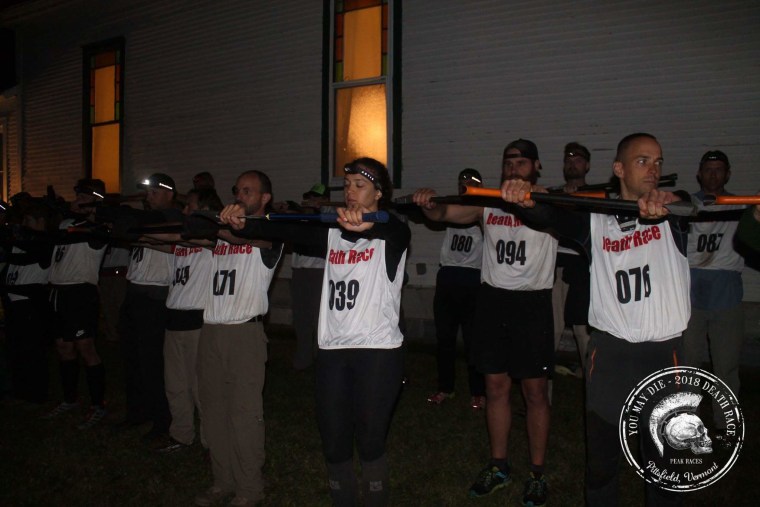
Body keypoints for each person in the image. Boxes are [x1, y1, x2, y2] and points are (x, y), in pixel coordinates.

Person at [500, 133, 688, 506]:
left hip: (664, 356)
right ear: (618, 169)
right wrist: (525, 200)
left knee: (666, 466)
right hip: (610, 355)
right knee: (602, 462)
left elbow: (692, 202)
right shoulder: (595, 221)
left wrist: (670, 199)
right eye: (642, 161)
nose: (653, 170)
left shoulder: (673, 214)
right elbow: (550, 215)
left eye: (658, 162)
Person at [219, 158, 410, 507]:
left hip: (378, 352)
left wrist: (367, 224)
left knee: (369, 440)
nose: (350, 192)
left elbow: (393, 229)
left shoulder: (392, 232)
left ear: (379, 193)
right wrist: (242, 223)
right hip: (333, 351)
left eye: (360, 186)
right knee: (334, 440)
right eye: (347, 185)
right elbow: (283, 230)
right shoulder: (332, 232)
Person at [413, 139, 555, 506]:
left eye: (522, 162)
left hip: (531, 303)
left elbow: (559, 217)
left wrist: (534, 197)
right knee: (495, 386)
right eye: (509, 161)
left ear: (536, 167)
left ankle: (537, 473)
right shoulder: (489, 201)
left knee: (535, 391)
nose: (514, 168)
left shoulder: (549, 200)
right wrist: (430, 203)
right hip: (492, 301)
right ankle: (499, 465)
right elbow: (445, 216)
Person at [191, 170, 284, 507]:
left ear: (264, 199)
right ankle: (222, 480)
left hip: (245, 333)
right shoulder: (223, 231)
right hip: (211, 329)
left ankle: (249, 489)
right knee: (213, 410)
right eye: (237, 190)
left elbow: (251, 239)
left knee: (244, 413)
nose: (241, 195)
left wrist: (219, 226)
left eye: (249, 191)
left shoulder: (271, 231)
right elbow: (188, 238)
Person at [143, 187, 223, 454]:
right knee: (175, 384)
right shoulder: (183, 240)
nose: (184, 211)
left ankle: (212, 442)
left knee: (201, 388)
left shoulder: (212, 239)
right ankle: (181, 435)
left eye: (189, 206)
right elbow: (158, 241)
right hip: (173, 317)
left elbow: (197, 240)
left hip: (196, 320)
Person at [682, 150, 745, 435]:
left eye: (719, 169)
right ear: (699, 173)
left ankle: (725, 423)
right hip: (692, 292)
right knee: (688, 361)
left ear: (728, 174)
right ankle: (684, 419)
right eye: (708, 169)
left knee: (726, 364)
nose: (713, 175)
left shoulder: (742, 207)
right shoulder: (686, 206)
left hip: (726, 293)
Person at [116, 173, 181, 441]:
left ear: (169, 193)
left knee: (153, 362)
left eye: (154, 192)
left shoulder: (174, 217)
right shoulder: (146, 218)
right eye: (148, 192)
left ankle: (161, 420)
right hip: (134, 292)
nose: (149, 196)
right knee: (132, 358)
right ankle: (137, 410)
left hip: (156, 297)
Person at [43, 179, 109, 429]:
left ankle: (98, 404)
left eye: (85, 196)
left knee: (85, 346)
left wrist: (90, 211)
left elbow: (97, 232)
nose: (79, 199)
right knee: (63, 346)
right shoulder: (65, 223)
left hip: (80, 293)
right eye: (78, 195)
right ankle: (69, 399)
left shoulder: (97, 227)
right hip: (58, 291)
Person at [426, 168, 486, 410]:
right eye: (462, 182)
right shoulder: (452, 207)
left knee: (473, 341)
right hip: (448, 278)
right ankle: (445, 387)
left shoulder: (483, 211)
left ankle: (478, 391)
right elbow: (435, 214)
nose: (465, 186)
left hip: (472, 281)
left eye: (470, 183)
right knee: (445, 339)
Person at [3, 199, 56, 404]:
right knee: (16, 350)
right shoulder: (23, 241)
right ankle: (20, 391)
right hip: (15, 303)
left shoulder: (43, 243)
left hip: (30, 304)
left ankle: (35, 393)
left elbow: (31, 257)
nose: (24, 225)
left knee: (32, 351)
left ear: (40, 221)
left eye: (28, 220)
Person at [552, 143, 592, 378]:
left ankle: (593, 391)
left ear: (586, 165)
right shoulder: (555, 194)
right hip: (555, 267)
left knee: (583, 333)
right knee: (551, 331)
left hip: (582, 269)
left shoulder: (597, 194)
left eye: (578, 160)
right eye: (568, 160)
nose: (572, 164)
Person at [291, 182, 330, 370]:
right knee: (300, 317)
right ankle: (303, 358)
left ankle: (320, 358)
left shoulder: (326, 218)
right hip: (299, 272)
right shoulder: (302, 218)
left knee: (317, 317)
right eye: (310, 197)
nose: (311, 201)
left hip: (318, 273)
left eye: (316, 197)